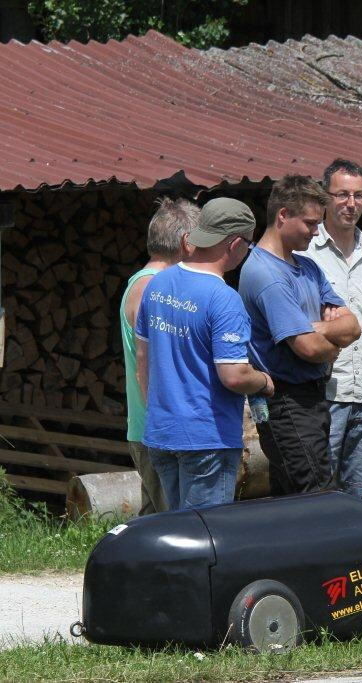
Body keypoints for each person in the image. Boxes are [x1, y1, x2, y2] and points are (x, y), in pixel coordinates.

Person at [135, 198, 274, 510]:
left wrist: (160, 414)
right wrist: (262, 381)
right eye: (248, 246)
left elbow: (142, 361)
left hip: (161, 433)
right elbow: (234, 376)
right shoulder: (224, 299)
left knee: (176, 533)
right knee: (204, 536)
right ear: (236, 243)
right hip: (206, 439)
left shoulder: (157, 284)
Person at [239, 175, 361, 496]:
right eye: (309, 223)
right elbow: (306, 347)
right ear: (282, 216)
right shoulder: (267, 275)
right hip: (287, 403)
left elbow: (353, 326)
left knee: (294, 498)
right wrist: (328, 343)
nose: (317, 231)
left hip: (310, 399)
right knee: (314, 496)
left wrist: (320, 329)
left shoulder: (307, 267)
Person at [295, 159, 362, 497]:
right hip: (322, 395)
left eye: (359, 196)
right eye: (342, 195)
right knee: (319, 495)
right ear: (325, 197)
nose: (351, 204)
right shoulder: (304, 251)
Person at [120, 198, 195, 515]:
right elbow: (156, 364)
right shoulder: (156, 288)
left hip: (150, 426)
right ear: (185, 242)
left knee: (154, 520)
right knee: (172, 526)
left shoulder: (142, 283)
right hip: (160, 428)